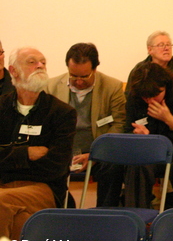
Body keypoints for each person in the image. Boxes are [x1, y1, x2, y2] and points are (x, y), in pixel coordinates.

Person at [0, 47, 76, 240]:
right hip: (4, 187)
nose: (40, 66)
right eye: (32, 62)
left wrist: (8, 160)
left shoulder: (62, 113)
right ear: (13, 70)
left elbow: (56, 167)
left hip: (43, 189)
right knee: (18, 221)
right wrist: (26, 154)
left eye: (43, 62)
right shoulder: (1, 107)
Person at [46, 43, 127, 206]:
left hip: (98, 151)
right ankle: (59, 211)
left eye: (84, 76)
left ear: (95, 69)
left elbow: (119, 125)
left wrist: (95, 154)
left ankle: (105, 213)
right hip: (62, 150)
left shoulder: (113, 87)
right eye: (73, 75)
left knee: (113, 165)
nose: (79, 81)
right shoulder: (51, 87)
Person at [124, 62, 173, 209]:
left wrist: (171, 121)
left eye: (156, 95)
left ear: (166, 86)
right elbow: (127, 130)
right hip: (150, 152)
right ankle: (138, 217)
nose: (151, 101)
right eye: (146, 97)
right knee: (137, 162)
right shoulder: (135, 96)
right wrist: (141, 136)